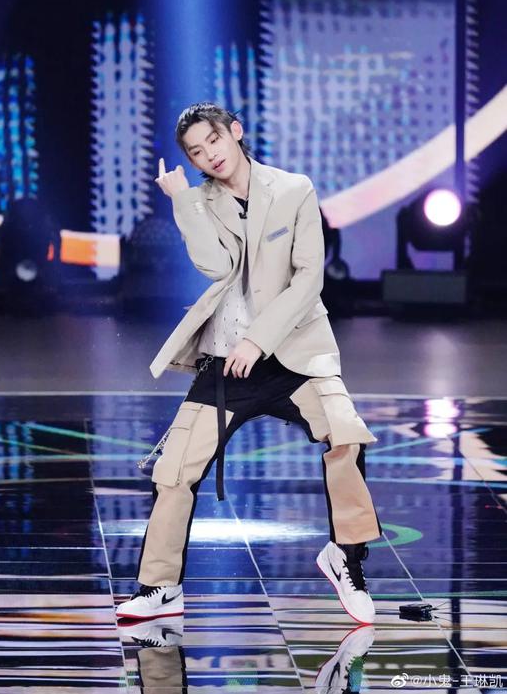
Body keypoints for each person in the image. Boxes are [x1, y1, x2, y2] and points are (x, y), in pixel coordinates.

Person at [116, 102, 382, 625]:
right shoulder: (201, 202)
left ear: (235, 132)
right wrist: (182, 201)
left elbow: (308, 279)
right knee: (175, 472)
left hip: (295, 354)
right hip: (226, 359)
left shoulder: (294, 189)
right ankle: (160, 587)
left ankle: (346, 559)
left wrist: (258, 341)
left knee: (346, 435)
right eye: (196, 152)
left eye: (214, 140)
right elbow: (215, 266)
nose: (209, 155)